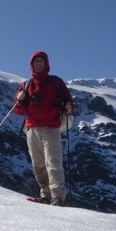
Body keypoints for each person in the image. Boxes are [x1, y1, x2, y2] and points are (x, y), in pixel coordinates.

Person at [14, 51, 74, 205]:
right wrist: (20, 100)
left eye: (41, 61)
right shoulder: (26, 85)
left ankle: (58, 197)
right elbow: (18, 110)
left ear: (46, 64)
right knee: (38, 163)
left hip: (51, 127)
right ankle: (45, 195)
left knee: (53, 162)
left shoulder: (56, 83)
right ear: (32, 65)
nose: (38, 64)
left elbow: (69, 103)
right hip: (32, 128)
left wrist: (68, 106)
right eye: (36, 62)